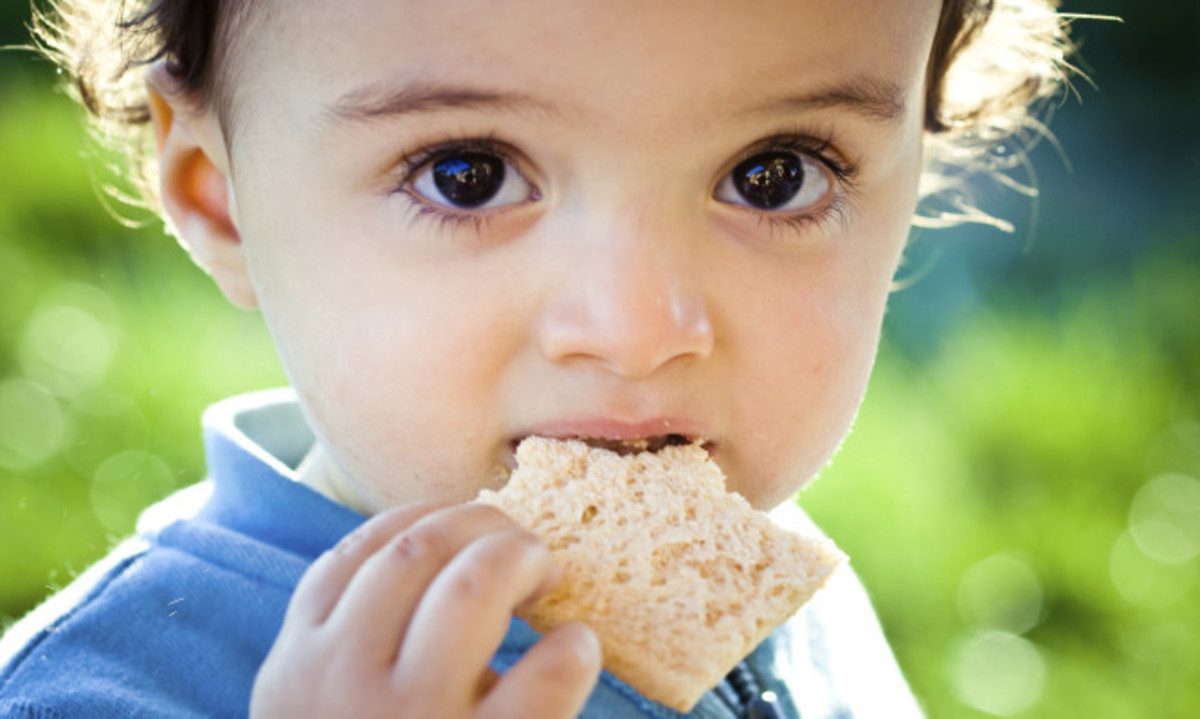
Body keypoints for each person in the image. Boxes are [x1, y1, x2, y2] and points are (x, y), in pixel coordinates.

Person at [0, 0, 1074, 716]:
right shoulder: (98, 693)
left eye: (774, 174)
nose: (640, 327)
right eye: (468, 174)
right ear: (220, 198)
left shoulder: (780, 586)